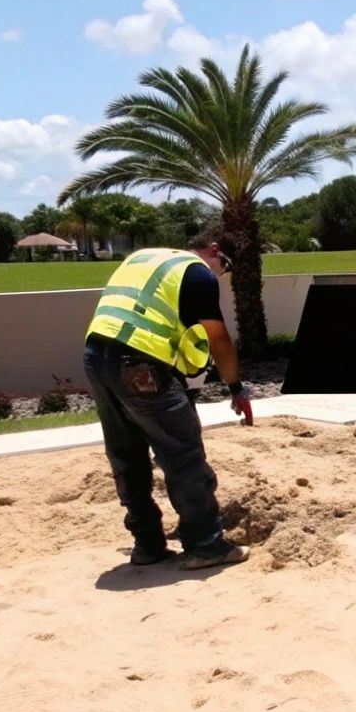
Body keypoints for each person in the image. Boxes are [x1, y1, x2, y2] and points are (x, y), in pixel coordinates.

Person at [83, 232, 255, 571]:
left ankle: (147, 544)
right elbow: (217, 338)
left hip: (96, 357)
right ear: (215, 250)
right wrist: (236, 386)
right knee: (182, 452)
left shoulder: (145, 257)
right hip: (139, 362)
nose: (222, 273)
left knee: (126, 453)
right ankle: (206, 545)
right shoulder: (197, 272)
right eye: (227, 265)